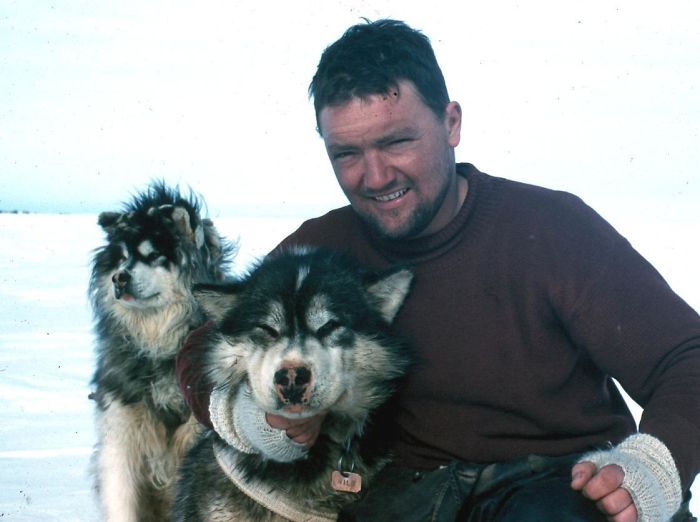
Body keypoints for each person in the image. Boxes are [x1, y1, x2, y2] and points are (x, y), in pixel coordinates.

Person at [177, 19, 700, 521]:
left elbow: (685, 358)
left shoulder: (551, 231)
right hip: (402, 495)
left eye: (397, 141)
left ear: (451, 124)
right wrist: (257, 419)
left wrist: (653, 469)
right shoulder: (323, 250)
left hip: (554, 488)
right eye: (347, 153)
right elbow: (203, 350)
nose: (375, 176)